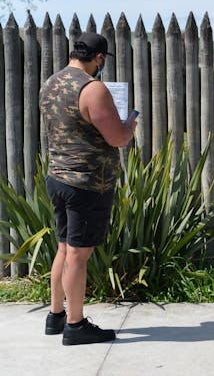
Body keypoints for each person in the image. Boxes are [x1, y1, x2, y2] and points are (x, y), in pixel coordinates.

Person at [39, 32, 137, 345]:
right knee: (79, 255)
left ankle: (55, 316)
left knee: (65, 247)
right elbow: (117, 138)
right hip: (87, 183)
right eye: (102, 61)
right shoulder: (92, 88)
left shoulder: (51, 83)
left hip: (58, 177)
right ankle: (75, 325)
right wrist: (131, 122)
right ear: (99, 58)